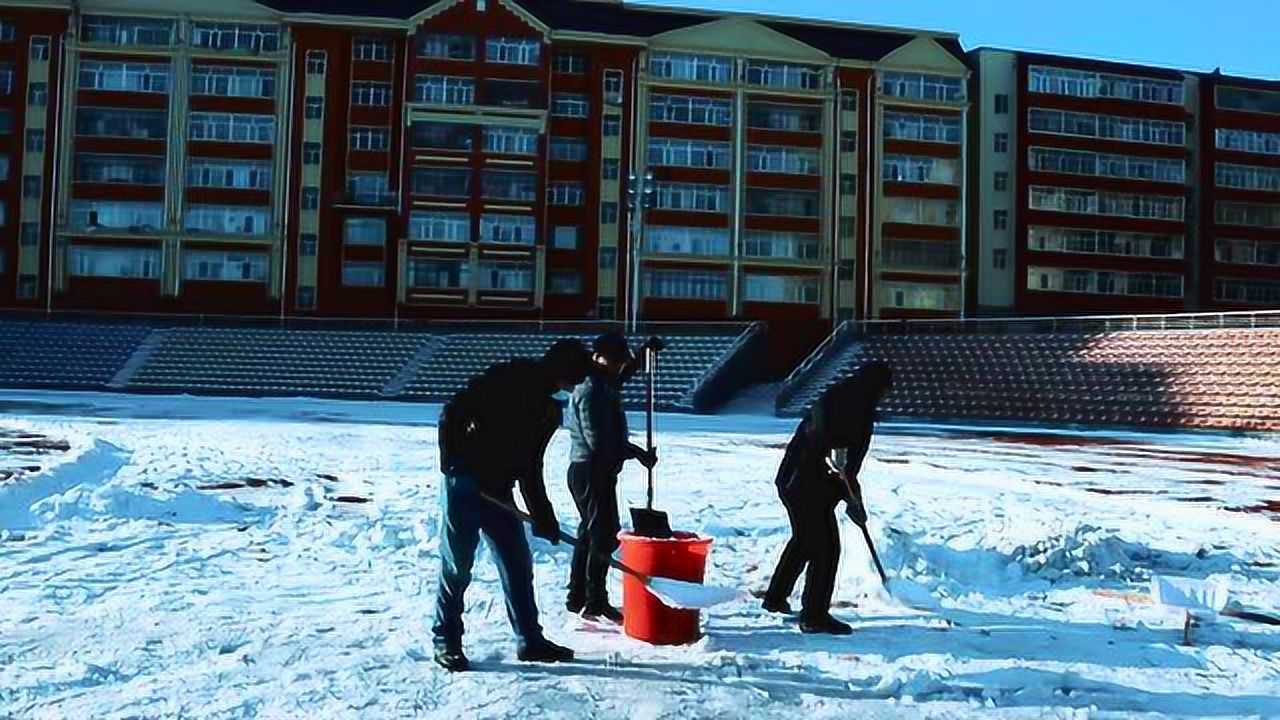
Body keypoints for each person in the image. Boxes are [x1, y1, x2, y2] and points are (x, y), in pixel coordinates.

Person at [432, 339, 592, 672]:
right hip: (464, 486)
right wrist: (452, 466)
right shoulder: (506, 378)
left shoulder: (548, 412)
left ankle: (530, 640)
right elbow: (452, 414)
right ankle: (446, 640)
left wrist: (542, 515)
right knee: (457, 566)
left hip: (499, 493)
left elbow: (530, 466)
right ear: (561, 371)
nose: (572, 387)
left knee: (517, 564)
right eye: (572, 379)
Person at [761, 361, 894, 634]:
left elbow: (841, 466)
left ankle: (775, 598)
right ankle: (814, 616)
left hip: (796, 481)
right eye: (883, 391)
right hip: (805, 485)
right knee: (826, 548)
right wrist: (851, 497)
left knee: (805, 540)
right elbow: (840, 463)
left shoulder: (843, 397)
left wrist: (853, 499)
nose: (884, 397)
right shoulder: (851, 409)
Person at [564, 332, 660, 623]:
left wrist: (645, 355)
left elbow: (620, 378)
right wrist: (636, 452)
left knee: (590, 532)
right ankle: (595, 600)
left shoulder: (601, 380)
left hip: (594, 469)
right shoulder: (592, 389)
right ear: (598, 358)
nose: (620, 366)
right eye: (616, 361)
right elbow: (600, 443)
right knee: (602, 534)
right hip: (591, 470)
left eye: (622, 362)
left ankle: (577, 595)